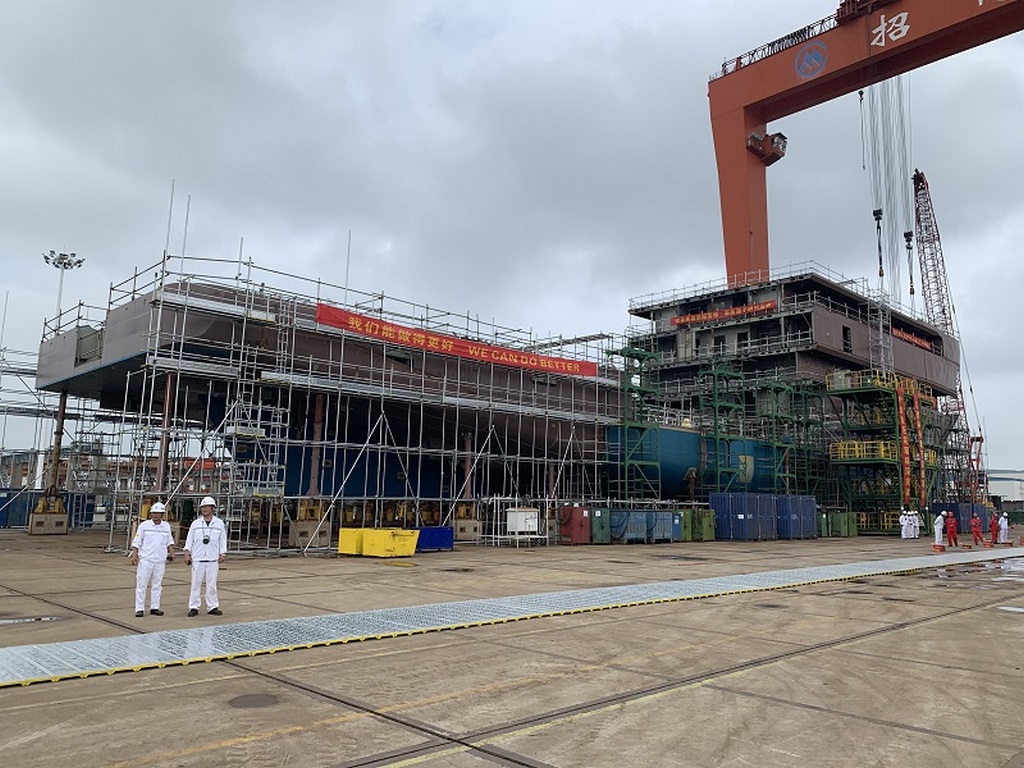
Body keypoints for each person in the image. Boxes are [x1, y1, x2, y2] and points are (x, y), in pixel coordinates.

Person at [183, 496, 227, 616]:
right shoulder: (196, 524)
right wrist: (187, 553)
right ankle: (193, 607)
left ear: (212, 508)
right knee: (195, 584)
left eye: (207, 507)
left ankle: (212, 606)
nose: (205, 509)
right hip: (198, 558)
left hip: (213, 559)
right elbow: (189, 539)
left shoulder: (219, 523)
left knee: (211, 584)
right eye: (203, 507)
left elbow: (222, 539)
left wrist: (223, 553)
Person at [129, 502, 175, 617]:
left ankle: (155, 607)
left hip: (160, 561)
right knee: (141, 584)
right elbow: (137, 542)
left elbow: (169, 541)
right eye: (153, 513)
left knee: (157, 585)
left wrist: (172, 553)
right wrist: (134, 555)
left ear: (162, 514)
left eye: (158, 513)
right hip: (146, 560)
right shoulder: (144, 526)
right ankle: (139, 608)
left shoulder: (166, 526)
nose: (155, 515)